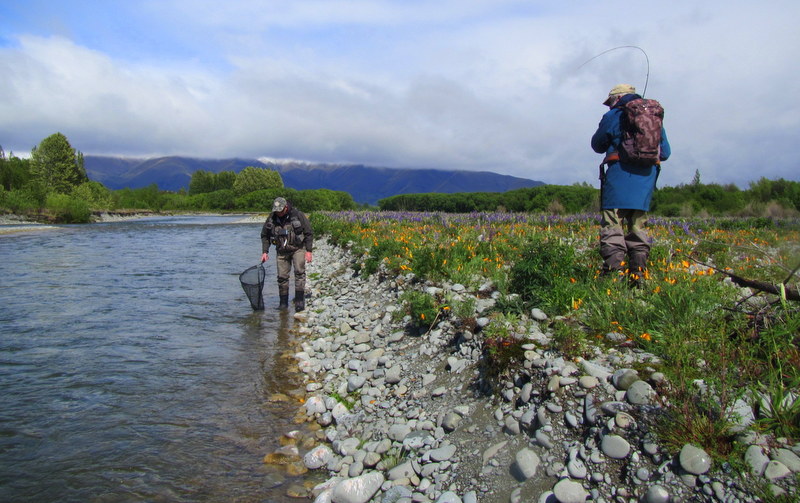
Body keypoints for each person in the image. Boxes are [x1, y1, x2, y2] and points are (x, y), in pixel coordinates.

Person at [591, 84, 671, 286]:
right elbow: (665, 153)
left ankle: (613, 276)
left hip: (619, 177)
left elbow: (597, 145)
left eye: (610, 101)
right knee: (638, 229)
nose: (609, 106)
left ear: (617, 98)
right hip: (645, 181)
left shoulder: (613, 116)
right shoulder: (654, 117)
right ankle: (638, 277)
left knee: (612, 226)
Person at [260, 197, 313, 310]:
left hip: (297, 248)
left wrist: (308, 251)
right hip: (281, 251)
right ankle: (283, 303)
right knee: (282, 277)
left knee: (299, 272)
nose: (278, 213)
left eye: (280, 211)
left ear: (286, 207)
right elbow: (265, 235)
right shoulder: (271, 218)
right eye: (276, 211)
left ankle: (299, 301)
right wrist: (265, 252)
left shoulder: (297, 215)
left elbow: (308, 233)